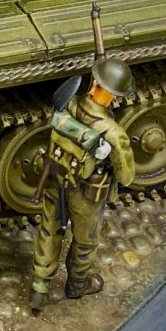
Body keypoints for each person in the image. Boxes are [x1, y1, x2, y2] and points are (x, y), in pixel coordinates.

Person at [29, 56, 136, 312]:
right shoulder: (113, 133)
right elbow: (126, 177)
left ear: (93, 84)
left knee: (49, 230)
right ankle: (77, 284)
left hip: (56, 178)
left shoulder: (70, 103)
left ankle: (38, 289)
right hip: (87, 192)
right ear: (113, 96)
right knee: (85, 240)